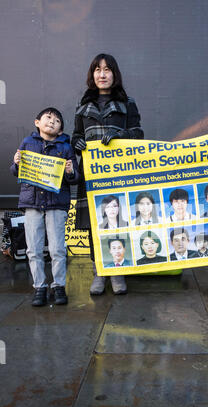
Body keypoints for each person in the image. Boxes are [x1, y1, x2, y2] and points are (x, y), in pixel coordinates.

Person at [71, 53, 143, 295]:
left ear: (115, 74)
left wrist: (122, 136)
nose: (102, 74)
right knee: (95, 225)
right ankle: (99, 272)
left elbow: (138, 133)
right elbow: (76, 135)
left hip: (117, 174)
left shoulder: (127, 103)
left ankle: (118, 272)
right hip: (91, 175)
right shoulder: (82, 105)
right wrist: (77, 142)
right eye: (97, 70)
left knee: (117, 222)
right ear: (92, 75)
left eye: (107, 69)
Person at [10, 107, 80, 306]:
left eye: (57, 121)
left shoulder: (66, 147)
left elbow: (75, 178)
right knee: (33, 249)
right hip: (32, 203)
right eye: (48, 118)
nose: (52, 121)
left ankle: (59, 285)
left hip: (57, 204)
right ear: (37, 122)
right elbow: (17, 171)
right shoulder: (27, 143)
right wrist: (16, 163)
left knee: (58, 248)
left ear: (60, 130)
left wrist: (70, 171)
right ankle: (39, 286)